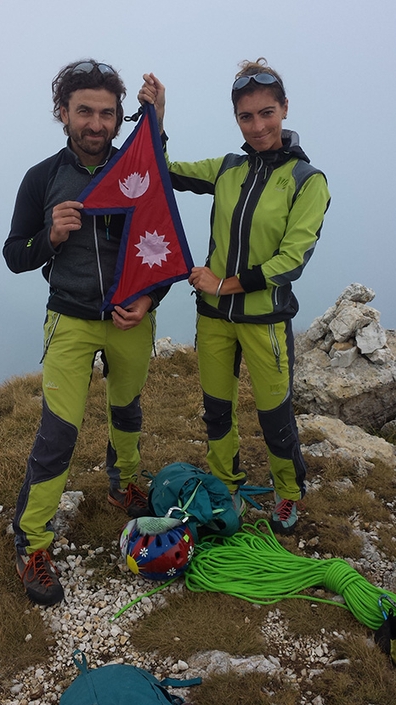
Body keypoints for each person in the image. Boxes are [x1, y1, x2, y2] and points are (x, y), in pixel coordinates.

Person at [139, 59, 330, 535]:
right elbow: (163, 172)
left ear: (284, 109)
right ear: (237, 120)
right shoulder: (228, 169)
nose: (258, 125)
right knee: (217, 409)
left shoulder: (307, 181)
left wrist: (225, 283)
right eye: (247, 117)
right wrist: (158, 117)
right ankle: (226, 483)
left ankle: (288, 492)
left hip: (264, 318)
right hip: (214, 320)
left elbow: (292, 260)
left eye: (267, 112)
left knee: (275, 415)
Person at [4, 60, 169, 606]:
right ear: (63, 114)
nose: (96, 123)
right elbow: (14, 255)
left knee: (127, 408)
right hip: (69, 318)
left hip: (129, 318)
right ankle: (32, 541)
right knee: (57, 434)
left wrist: (149, 299)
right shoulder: (42, 177)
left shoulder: (137, 168)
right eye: (84, 112)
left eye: (106, 112)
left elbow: (161, 246)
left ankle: (123, 486)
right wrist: (49, 237)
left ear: (120, 116)